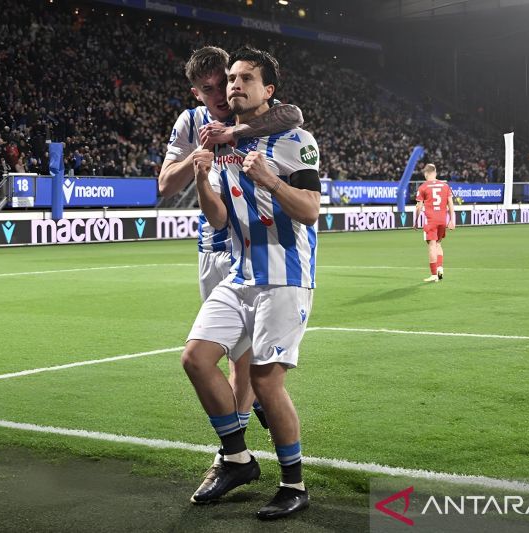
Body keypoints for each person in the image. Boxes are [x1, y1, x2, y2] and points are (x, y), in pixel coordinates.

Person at [186, 46, 320, 520]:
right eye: (232, 78)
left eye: (247, 79)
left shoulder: (295, 140)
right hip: (239, 273)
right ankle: (238, 457)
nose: (235, 85)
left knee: (265, 381)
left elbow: (310, 211)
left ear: (269, 90)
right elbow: (219, 220)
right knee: (196, 358)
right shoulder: (223, 143)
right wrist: (202, 180)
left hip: (284, 275)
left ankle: (293, 484)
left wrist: (271, 181)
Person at [159, 46, 304, 465]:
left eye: (223, 83)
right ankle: (244, 430)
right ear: (196, 93)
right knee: (214, 354)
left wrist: (233, 135)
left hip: (255, 250)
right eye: (207, 89)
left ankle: (233, 456)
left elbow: (292, 114)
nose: (219, 94)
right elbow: (165, 185)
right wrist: (197, 157)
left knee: (244, 361)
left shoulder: (253, 113)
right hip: (214, 249)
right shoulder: (191, 122)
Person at [413, 163, 455, 282]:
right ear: (435, 173)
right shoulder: (445, 186)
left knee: (431, 245)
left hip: (430, 220)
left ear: (426, 173)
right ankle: (440, 268)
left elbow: (419, 207)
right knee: (438, 244)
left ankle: (434, 274)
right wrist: (452, 220)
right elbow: (450, 204)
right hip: (442, 220)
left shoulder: (423, 187)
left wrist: (415, 221)